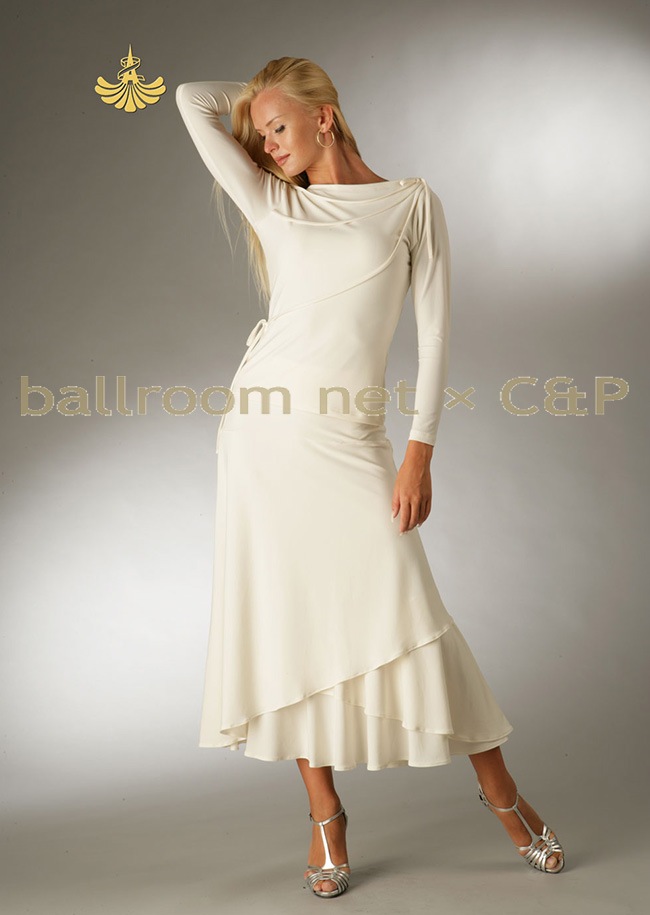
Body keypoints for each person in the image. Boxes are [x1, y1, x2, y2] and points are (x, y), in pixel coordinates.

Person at [175, 55, 565, 898]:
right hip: (262, 435)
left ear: (325, 114)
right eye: (259, 135)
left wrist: (421, 448)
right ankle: (325, 813)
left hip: (349, 438)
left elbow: (436, 330)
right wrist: (260, 97)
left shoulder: (411, 203)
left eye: (279, 126)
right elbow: (189, 99)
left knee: (409, 607)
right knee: (287, 615)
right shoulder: (275, 200)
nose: (267, 144)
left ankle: (503, 794)